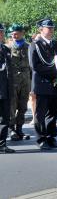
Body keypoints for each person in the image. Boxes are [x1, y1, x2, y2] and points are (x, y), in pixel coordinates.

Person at [29, 18, 57, 150]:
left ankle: (51, 137)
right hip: (43, 84)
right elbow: (35, 66)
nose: (51, 30)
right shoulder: (35, 45)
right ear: (41, 29)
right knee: (41, 114)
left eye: (52, 28)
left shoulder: (56, 45)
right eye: (48, 28)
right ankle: (40, 138)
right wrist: (55, 72)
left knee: (54, 112)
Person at [8, 23, 31, 141]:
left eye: (16, 33)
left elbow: (32, 66)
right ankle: (12, 129)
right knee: (12, 106)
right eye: (12, 34)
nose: (14, 35)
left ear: (22, 33)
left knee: (23, 106)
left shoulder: (29, 47)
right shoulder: (8, 47)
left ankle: (19, 128)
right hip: (12, 81)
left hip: (26, 80)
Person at [0, 23, 15, 153]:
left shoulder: (5, 49)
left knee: (5, 118)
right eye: (0, 32)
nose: (1, 34)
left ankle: (2, 143)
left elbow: (10, 70)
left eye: (2, 32)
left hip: (6, 89)